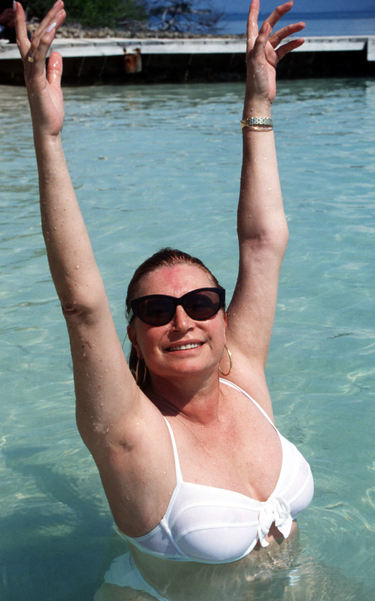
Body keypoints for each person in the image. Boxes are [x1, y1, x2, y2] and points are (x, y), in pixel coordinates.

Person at [15, 0, 313, 598]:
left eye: (201, 303)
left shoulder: (244, 375)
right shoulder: (133, 434)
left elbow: (262, 242)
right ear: (133, 334)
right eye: (156, 310)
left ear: (223, 317)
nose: (183, 320)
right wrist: (47, 136)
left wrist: (257, 105)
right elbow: (81, 301)